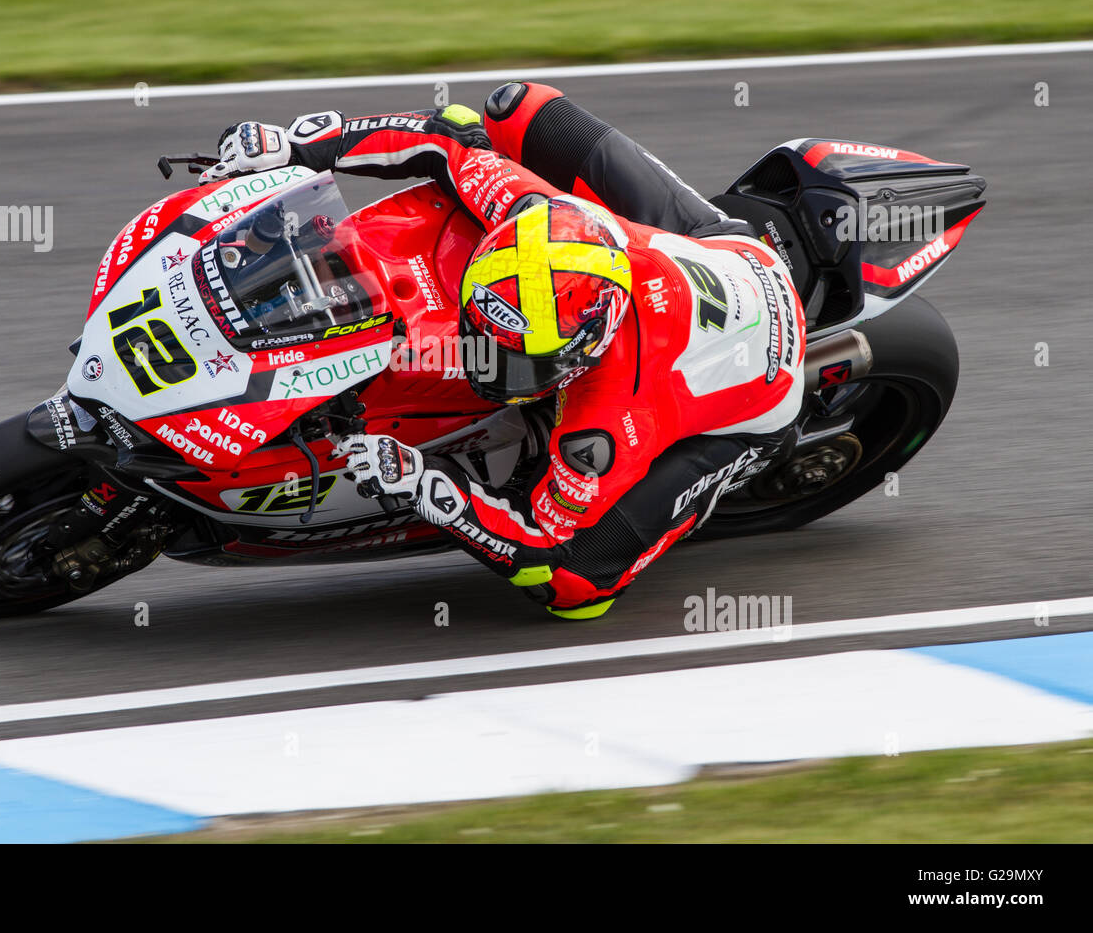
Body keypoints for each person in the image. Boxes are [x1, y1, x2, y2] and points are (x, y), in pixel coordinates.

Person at [209, 84, 805, 618]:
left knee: (575, 585)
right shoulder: (532, 213)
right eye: (480, 332)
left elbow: (542, 541)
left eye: (517, 361)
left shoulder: (607, 426)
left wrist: (427, 485)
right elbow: (446, 136)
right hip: (723, 248)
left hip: (765, 388)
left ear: (584, 353)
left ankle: (738, 456)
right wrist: (297, 147)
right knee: (516, 108)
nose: (481, 360)